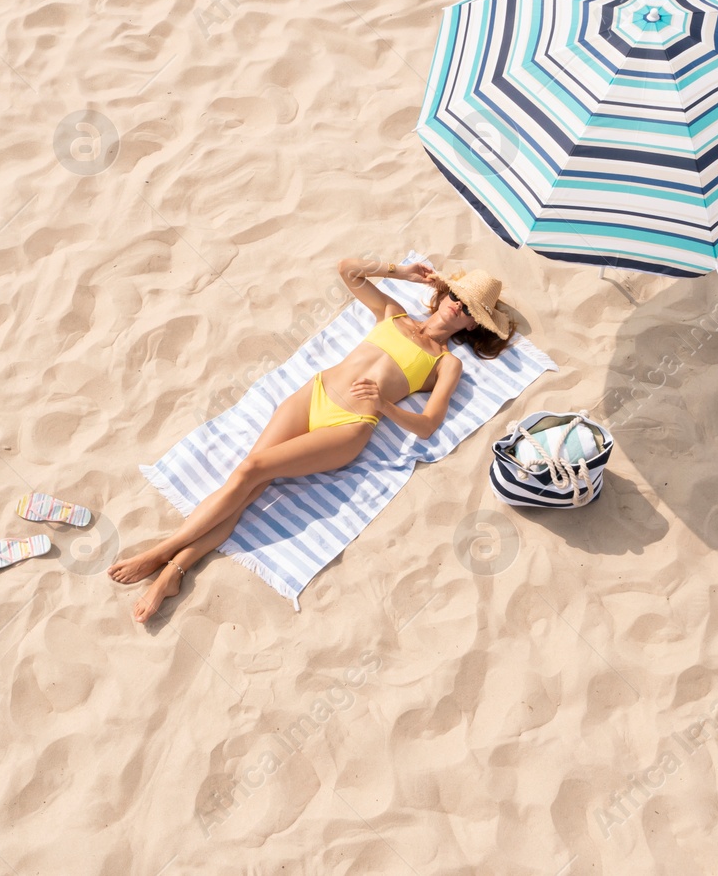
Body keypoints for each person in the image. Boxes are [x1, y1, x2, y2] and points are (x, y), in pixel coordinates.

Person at [110, 256, 518, 622]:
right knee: (248, 483)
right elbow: (347, 269)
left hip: (351, 425)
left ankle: (163, 552)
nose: (457, 307)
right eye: (456, 296)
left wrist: (385, 406)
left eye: (468, 310)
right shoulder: (394, 314)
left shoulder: (446, 363)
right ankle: (174, 573)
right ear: (444, 294)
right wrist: (401, 272)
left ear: (471, 324)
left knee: (251, 471)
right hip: (314, 392)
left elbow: (428, 424)